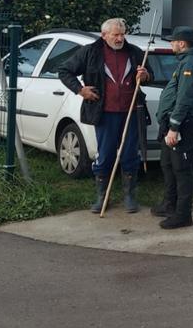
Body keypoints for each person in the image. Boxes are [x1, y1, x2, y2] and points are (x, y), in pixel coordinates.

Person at [58, 18, 151, 214]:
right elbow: (64, 71)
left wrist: (145, 76)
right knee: (105, 154)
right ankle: (102, 196)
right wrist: (80, 90)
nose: (119, 38)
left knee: (130, 155)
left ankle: (129, 197)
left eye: (122, 34)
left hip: (131, 112)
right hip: (105, 113)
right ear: (104, 35)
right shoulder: (91, 52)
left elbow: (150, 76)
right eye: (115, 35)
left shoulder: (134, 52)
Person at [152, 26, 193, 229]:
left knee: (181, 169)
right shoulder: (186, 62)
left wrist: (174, 127)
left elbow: (184, 98)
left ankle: (183, 215)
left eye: (173, 41)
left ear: (182, 43)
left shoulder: (190, 65)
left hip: (182, 124)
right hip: (173, 122)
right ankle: (169, 204)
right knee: (167, 164)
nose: (171, 44)